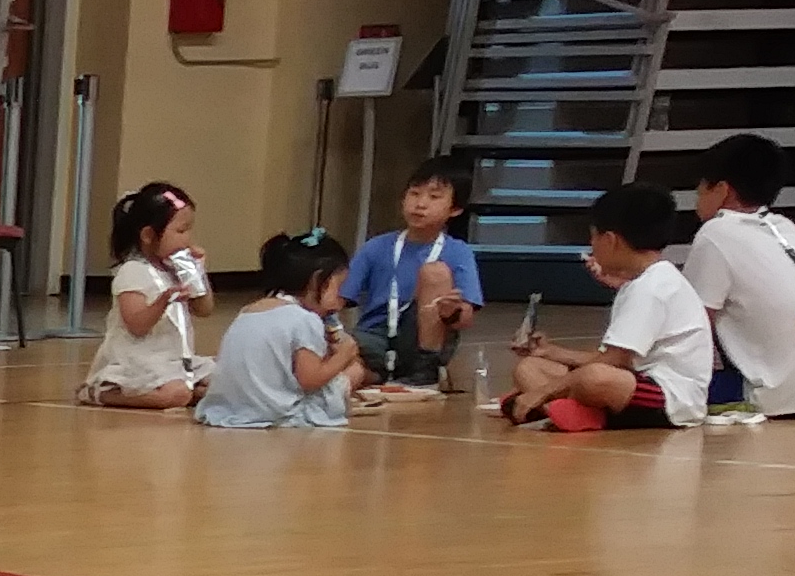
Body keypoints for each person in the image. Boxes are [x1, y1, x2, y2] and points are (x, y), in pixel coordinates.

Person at [681, 132, 795, 423]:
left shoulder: (715, 233)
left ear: (722, 190)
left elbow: (693, 322)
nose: (698, 198)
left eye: (701, 189)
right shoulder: (784, 226)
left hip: (772, 389)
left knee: (657, 382)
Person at [500, 184, 710, 432]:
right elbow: (609, 358)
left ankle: (567, 410)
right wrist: (551, 352)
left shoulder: (652, 287)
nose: (591, 246)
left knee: (594, 378)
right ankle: (571, 412)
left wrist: (543, 390)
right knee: (530, 367)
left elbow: (612, 362)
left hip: (672, 397)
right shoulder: (643, 282)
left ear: (610, 240)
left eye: (593, 237)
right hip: (631, 377)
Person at [335, 160, 480, 396]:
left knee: (434, 273)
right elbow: (339, 298)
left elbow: (465, 318)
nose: (420, 204)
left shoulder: (458, 252)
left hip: (422, 340)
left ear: (455, 209)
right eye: (414, 193)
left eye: (434, 197)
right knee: (345, 359)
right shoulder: (376, 246)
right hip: (374, 338)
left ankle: (425, 371)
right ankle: (359, 384)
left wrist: (450, 312)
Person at [196, 231, 361, 431]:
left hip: (231, 409)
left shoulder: (248, 310)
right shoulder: (305, 319)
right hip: (274, 411)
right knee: (354, 372)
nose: (342, 301)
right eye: (340, 288)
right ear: (317, 281)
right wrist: (344, 355)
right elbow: (310, 379)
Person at [75, 182, 212, 409]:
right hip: (138, 362)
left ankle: (188, 391)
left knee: (225, 384)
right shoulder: (133, 271)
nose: (187, 240)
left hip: (174, 360)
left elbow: (205, 310)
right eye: (181, 231)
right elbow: (137, 325)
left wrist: (198, 275)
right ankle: (102, 392)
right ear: (148, 235)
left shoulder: (175, 270)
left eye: (189, 230)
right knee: (175, 395)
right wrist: (163, 300)